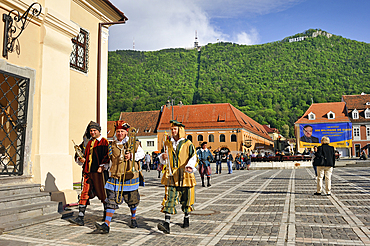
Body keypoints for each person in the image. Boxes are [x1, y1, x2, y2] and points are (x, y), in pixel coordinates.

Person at [95, 121, 145, 233]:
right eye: (118, 131)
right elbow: (110, 160)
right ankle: (106, 225)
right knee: (111, 200)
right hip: (115, 175)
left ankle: (133, 218)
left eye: (122, 131)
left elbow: (142, 154)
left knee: (132, 199)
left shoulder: (134, 142)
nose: (120, 134)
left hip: (130, 176)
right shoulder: (112, 144)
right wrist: (103, 166)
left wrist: (132, 156)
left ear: (126, 132)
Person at [157, 120, 197, 234]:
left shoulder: (188, 144)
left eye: (175, 129)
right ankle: (167, 223)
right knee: (169, 197)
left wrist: (190, 166)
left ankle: (186, 217)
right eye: (172, 129)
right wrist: (163, 157)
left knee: (186, 198)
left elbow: (193, 157)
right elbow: (165, 159)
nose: (173, 131)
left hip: (185, 174)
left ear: (181, 130)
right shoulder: (167, 143)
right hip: (171, 174)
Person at [68, 121, 109, 226]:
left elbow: (107, 155)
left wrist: (102, 166)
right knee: (84, 193)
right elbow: (80, 153)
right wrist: (79, 158)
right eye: (91, 131)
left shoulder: (104, 142)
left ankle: (106, 215)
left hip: (99, 173)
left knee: (103, 193)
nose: (92, 132)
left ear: (99, 131)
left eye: (94, 130)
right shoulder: (88, 142)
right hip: (87, 172)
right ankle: (80, 217)